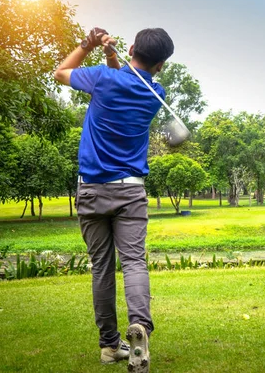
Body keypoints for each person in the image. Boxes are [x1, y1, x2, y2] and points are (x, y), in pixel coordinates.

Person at [54, 27, 174, 372]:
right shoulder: (156, 91)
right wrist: (110, 54)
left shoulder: (103, 80)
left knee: (102, 268)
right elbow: (127, 78)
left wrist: (88, 44)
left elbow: (61, 72)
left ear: (132, 47)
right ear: (162, 64)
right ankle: (141, 327)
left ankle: (109, 345)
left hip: (91, 189)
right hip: (130, 190)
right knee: (134, 262)